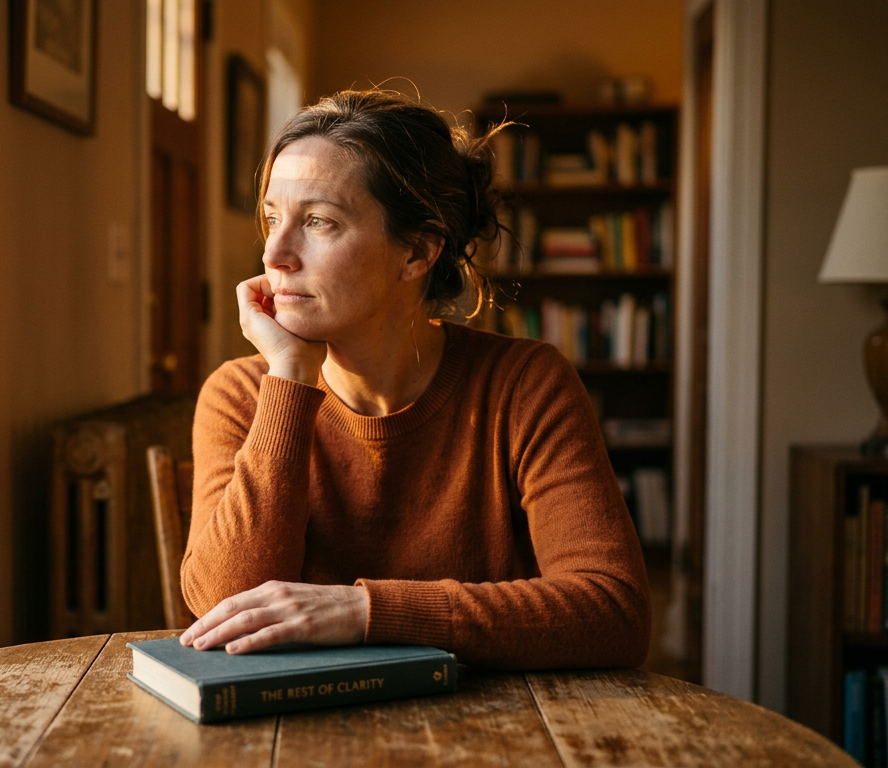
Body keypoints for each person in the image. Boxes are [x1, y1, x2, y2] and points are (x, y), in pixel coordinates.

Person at [176, 89, 650, 669]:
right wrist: (290, 380)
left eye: (319, 221)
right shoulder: (244, 393)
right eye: (273, 218)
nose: (276, 252)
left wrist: (364, 613)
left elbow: (614, 610)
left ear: (418, 253)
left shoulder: (525, 385)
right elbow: (225, 607)